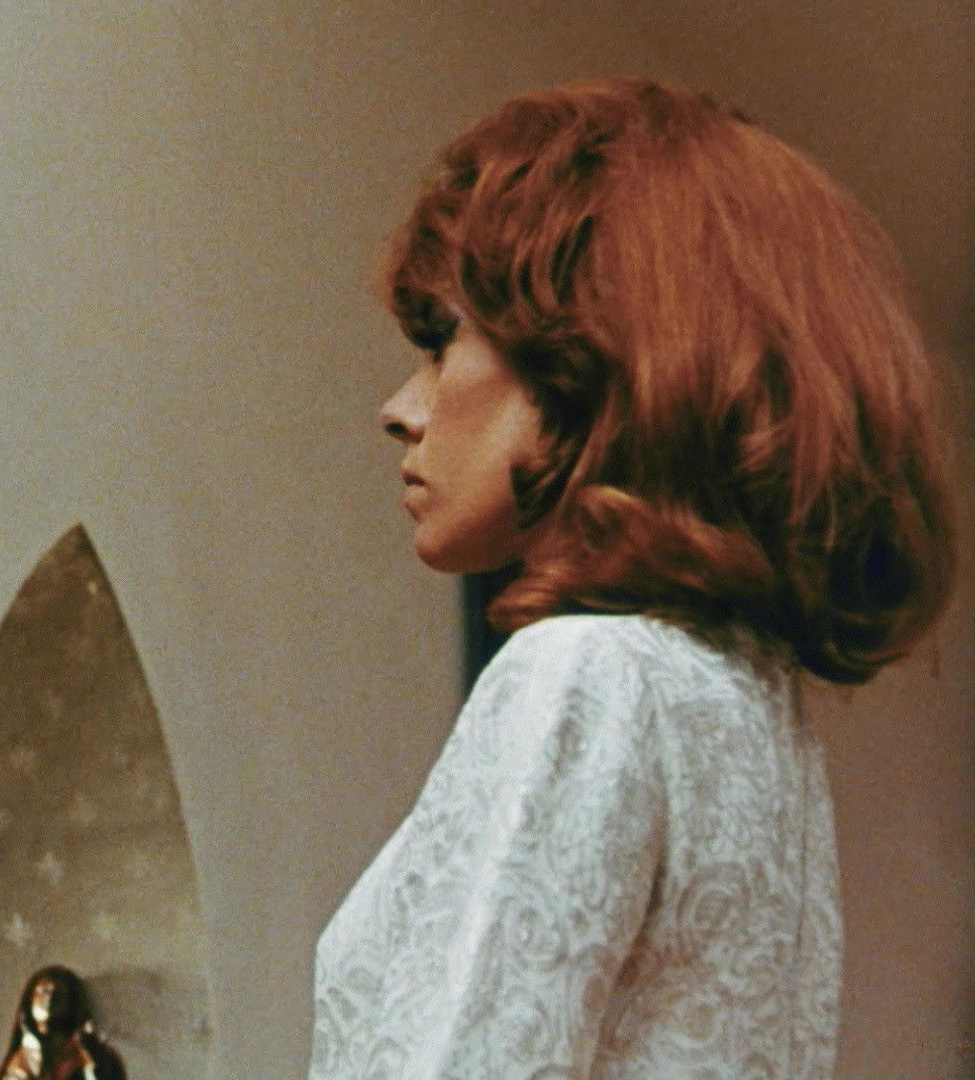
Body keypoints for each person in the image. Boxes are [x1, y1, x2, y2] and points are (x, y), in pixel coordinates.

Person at [311, 78, 956, 1078]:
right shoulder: (746, 705)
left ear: (588, 358)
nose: (401, 409)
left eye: (442, 343)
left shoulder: (586, 674)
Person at [0, 966, 127, 1080]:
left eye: (56, 993)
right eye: (42, 991)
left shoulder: (89, 1053)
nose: (48, 999)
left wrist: (89, 1059)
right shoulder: (25, 1056)